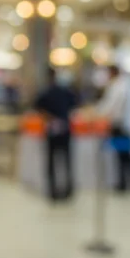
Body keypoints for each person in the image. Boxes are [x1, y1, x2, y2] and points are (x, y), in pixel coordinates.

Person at [97, 65, 130, 193]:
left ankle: (128, 182)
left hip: (120, 124)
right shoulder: (122, 86)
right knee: (125, 155)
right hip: (123, 123)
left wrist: (98, 113)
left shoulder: (117, 87)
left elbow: (110, 106)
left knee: (124, 155)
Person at [35, 68, 79, 202]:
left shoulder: (46, 92)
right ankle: (68, 189)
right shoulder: (65, 91)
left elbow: (37, 107)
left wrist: (49, 118)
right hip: (65, 130)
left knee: (52, 162)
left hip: (52, 130)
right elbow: (75, 105)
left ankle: (53, 191)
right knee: (66, 161)